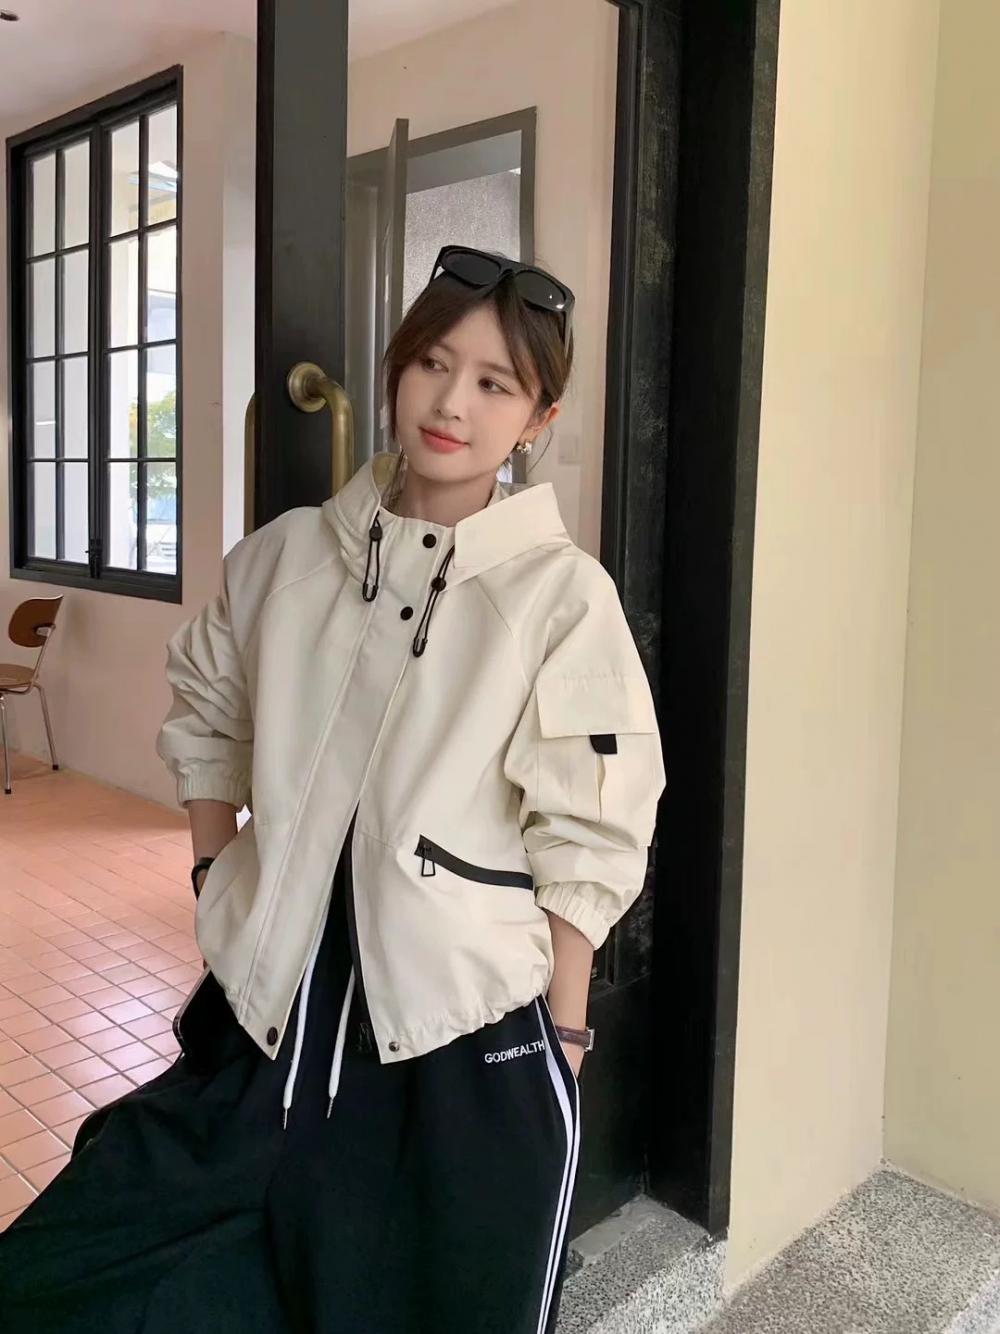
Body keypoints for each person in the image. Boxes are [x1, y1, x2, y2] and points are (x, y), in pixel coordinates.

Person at [0, 245, 665, 1333]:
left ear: (537, 417)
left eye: (494, 383)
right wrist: (214, 868)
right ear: (397, 366)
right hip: (261, 1031)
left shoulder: (562, 599)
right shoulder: (285, 558)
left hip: (456, 1052)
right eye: (433, 362)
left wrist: (565, 1037)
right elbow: (206, 709)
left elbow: (592, 829)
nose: (451, 403)